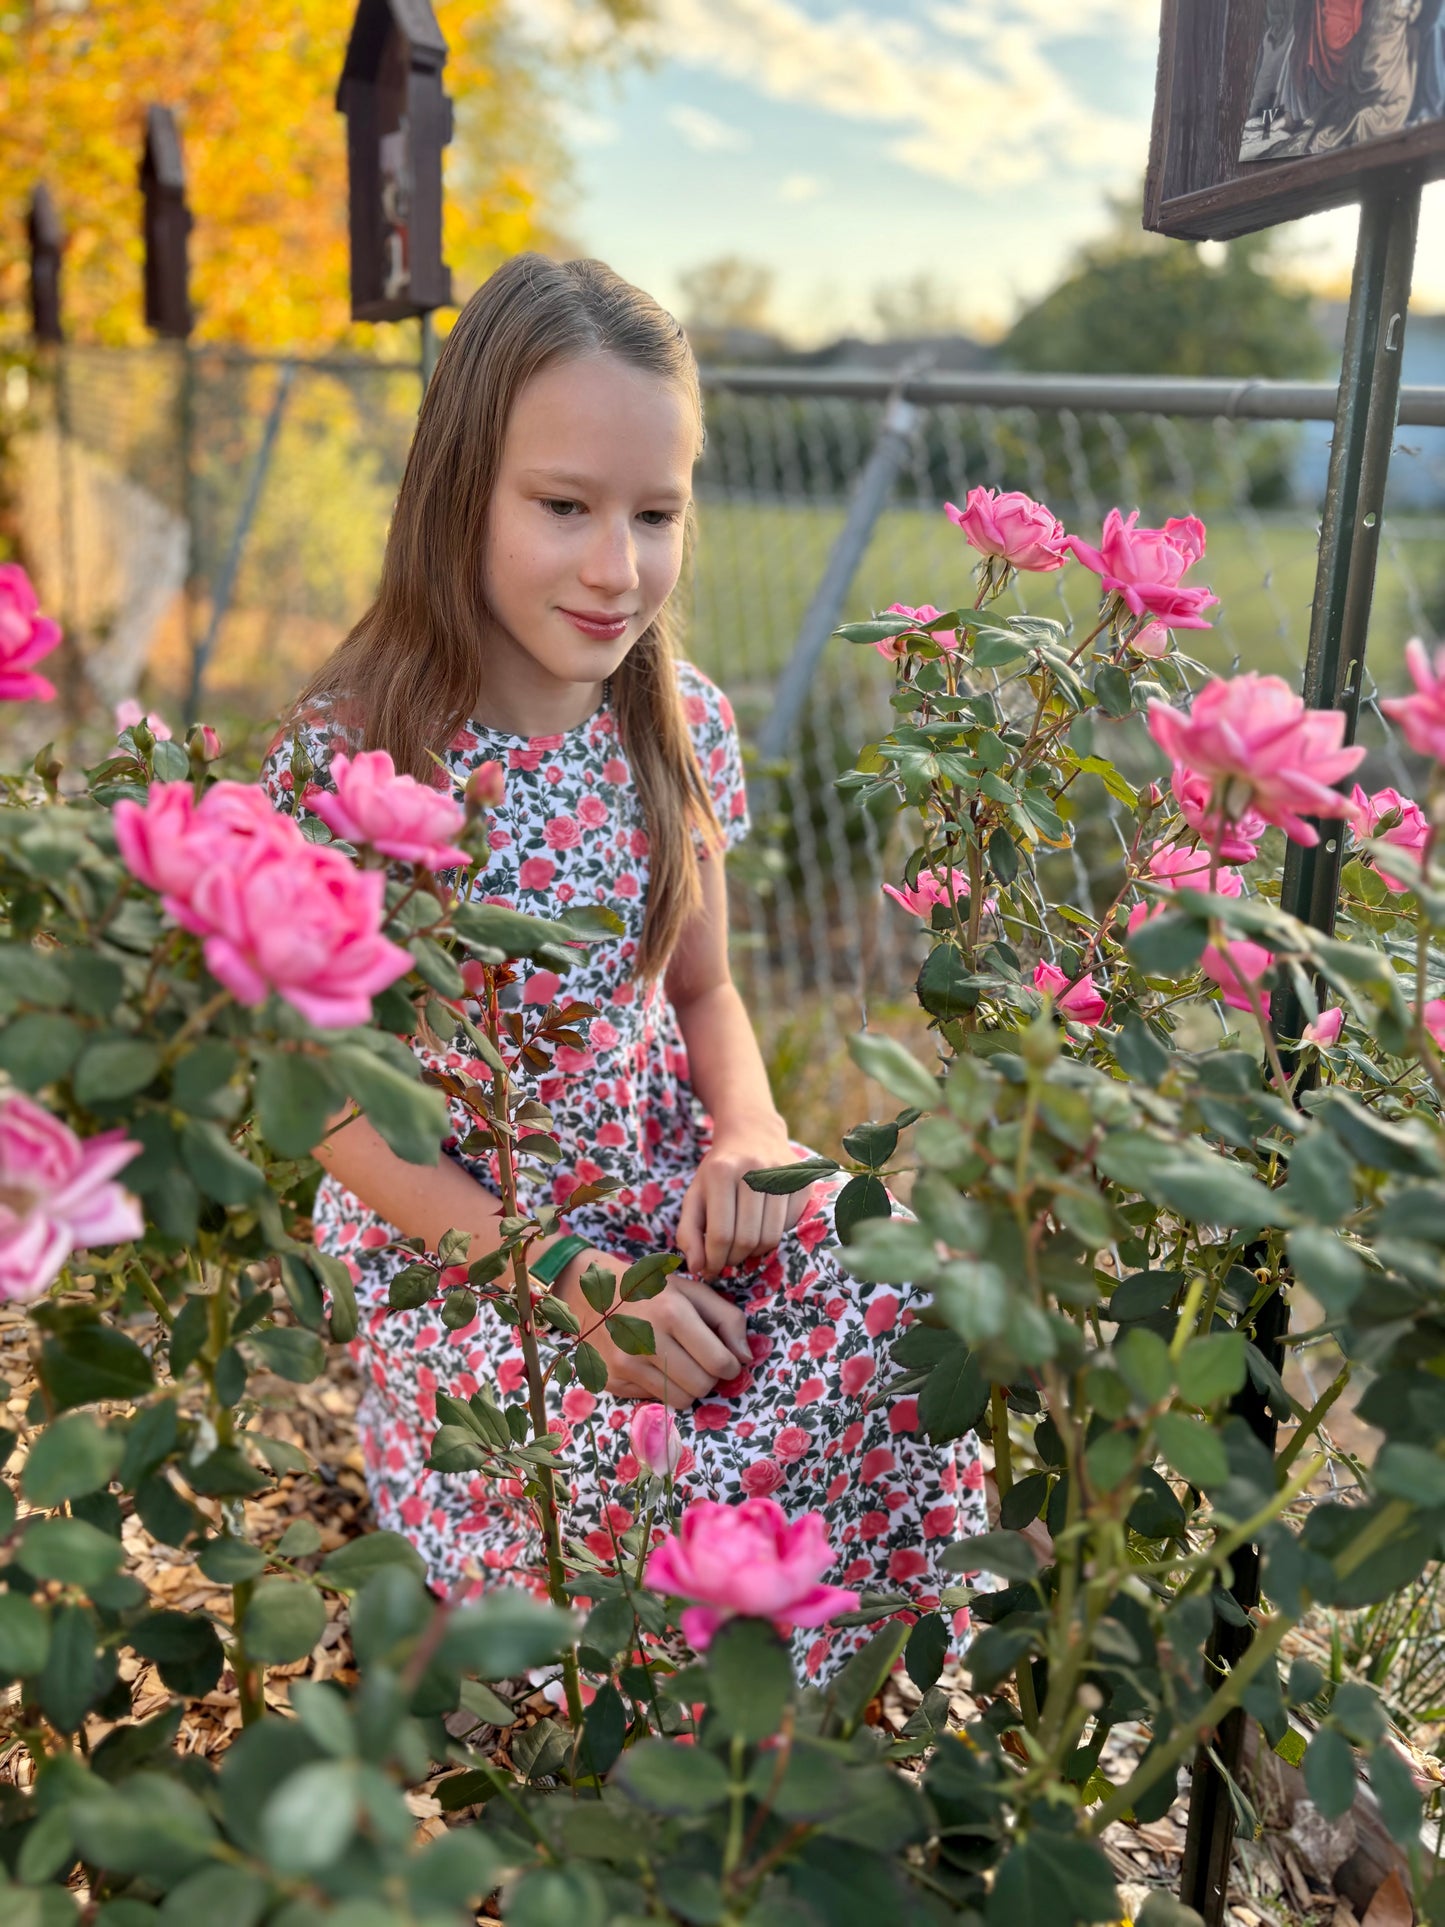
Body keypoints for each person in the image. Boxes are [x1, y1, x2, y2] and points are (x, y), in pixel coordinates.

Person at [260, 254, 986, 1678]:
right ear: (459, 487)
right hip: (469, 1252)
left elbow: (705, 990)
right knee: (686, 1461)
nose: (618, 569)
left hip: (663, 1180)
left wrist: (752, 1133)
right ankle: (675, 1755)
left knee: (914, 1294)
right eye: (564, 508)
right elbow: (326, 1104)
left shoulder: (677, 725)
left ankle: (865, 1705)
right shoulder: (352, 756)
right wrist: (572, 1283)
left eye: (655, 514)